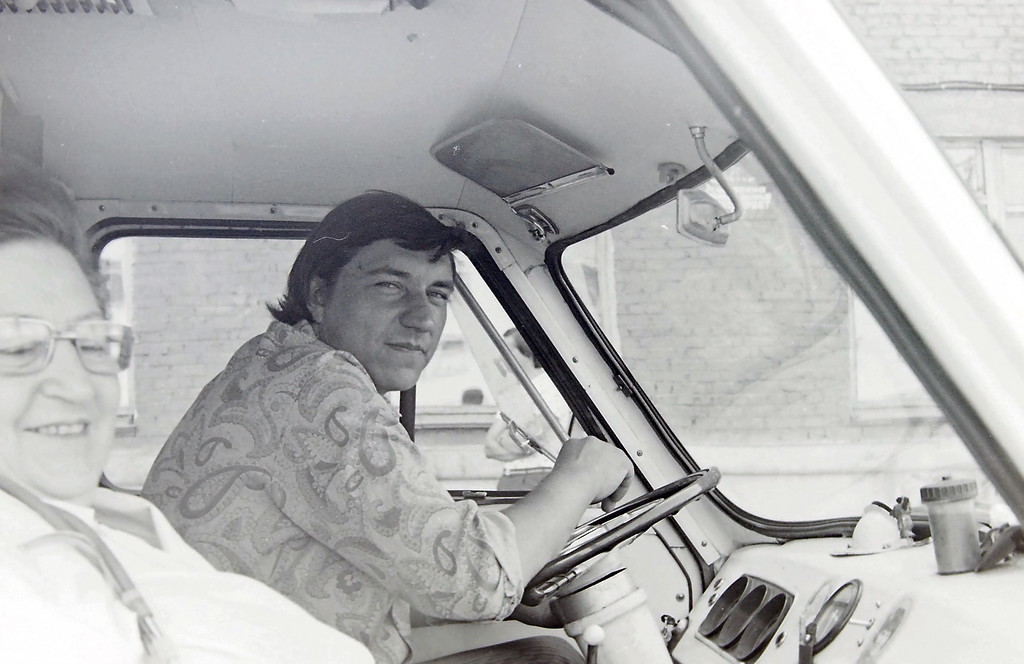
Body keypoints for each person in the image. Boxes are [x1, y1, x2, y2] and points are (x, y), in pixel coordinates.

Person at [142, 191, 634, 664]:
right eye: (390, 286)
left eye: (437, 293)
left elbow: (356, 568)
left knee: (544, 654)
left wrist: (513, 600)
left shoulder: (277, 364)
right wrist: (579, 476)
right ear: (319, 294)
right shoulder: (321, 390)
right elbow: (474, 580)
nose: (422, 318)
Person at [0, 156, 374, 663]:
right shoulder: (24, 600)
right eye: (17, 346)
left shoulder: (106, 523)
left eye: (90, 341)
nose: (78, 385)